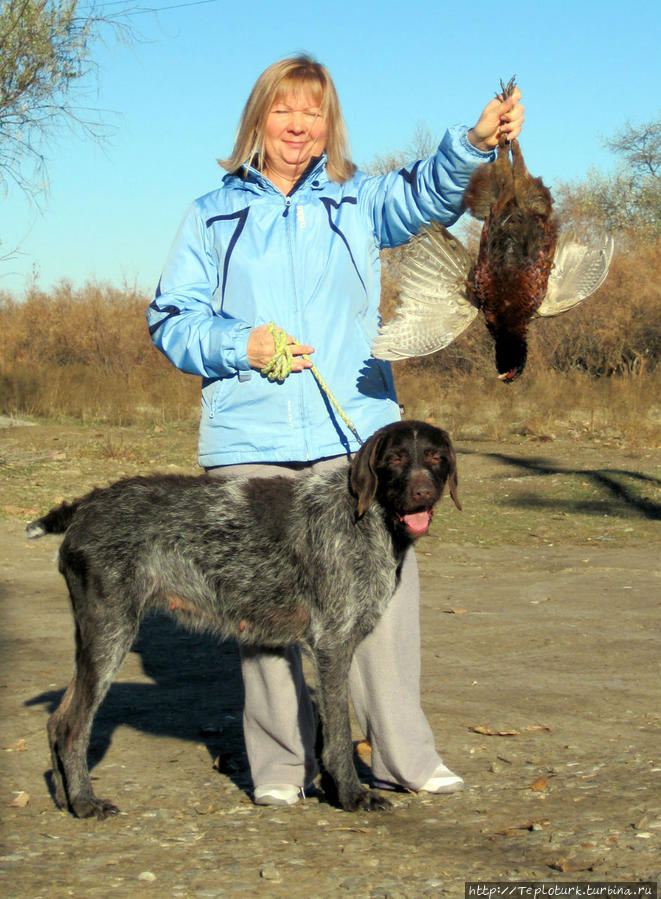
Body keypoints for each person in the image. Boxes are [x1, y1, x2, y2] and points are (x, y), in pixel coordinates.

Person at [147, 56, 523, 806]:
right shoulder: (210, 213)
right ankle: (282, 767)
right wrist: (239, 344)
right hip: (248, 444)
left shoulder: (357, 202)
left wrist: (476, 142)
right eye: (284, 111)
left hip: (353, 438)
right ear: (258, 119)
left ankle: (402, 755)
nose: (297, 126)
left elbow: (426, 191)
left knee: (379, 608)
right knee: (260, 613)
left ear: (328, 126)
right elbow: (171, 319)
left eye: (312, 114)